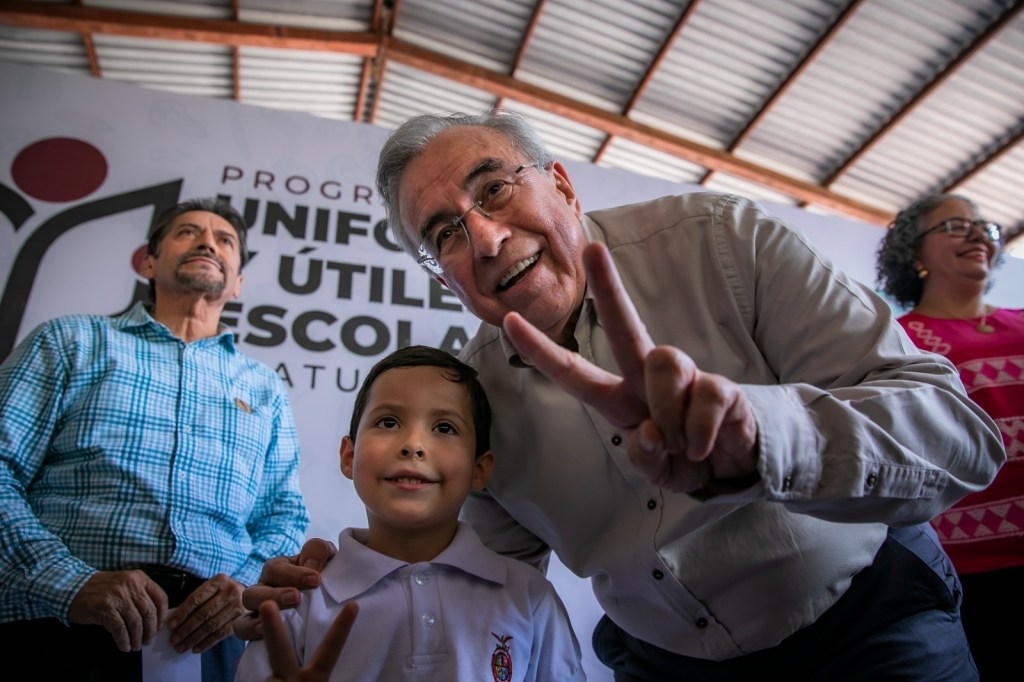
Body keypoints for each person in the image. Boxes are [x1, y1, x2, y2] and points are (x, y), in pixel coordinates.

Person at [242, 111, 1005, 681]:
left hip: (871, 626)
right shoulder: (478, 394)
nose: (484, 240)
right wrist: (340, 588)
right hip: (663, 664)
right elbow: (484, 580)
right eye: (443, 233)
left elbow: (960, 438)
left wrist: (763, 440)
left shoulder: (722, 242)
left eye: (495, 188)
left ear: (563, 185)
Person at [0, 197, 310, 681]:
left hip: (210, 641)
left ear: (238, 282)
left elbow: (284, 515)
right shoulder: (70, 341)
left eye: (225, 240)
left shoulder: (264, 387)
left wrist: (244, 586)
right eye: (187, 232)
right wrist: (68, 581)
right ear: (148, 262)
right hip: (58, 623)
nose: (207, 243)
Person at [235, 345, 586, 681]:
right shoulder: (297, 601)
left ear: (479, 469)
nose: (413, 445)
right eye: (388, 422)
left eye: (445, 428)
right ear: (349, 456)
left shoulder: (529, 597)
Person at [876, 193, 1023, 681]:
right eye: (956, 226)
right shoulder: (897, 341)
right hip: (972, 570)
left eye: (985, 228)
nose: (979, 234)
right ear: (914, 254)